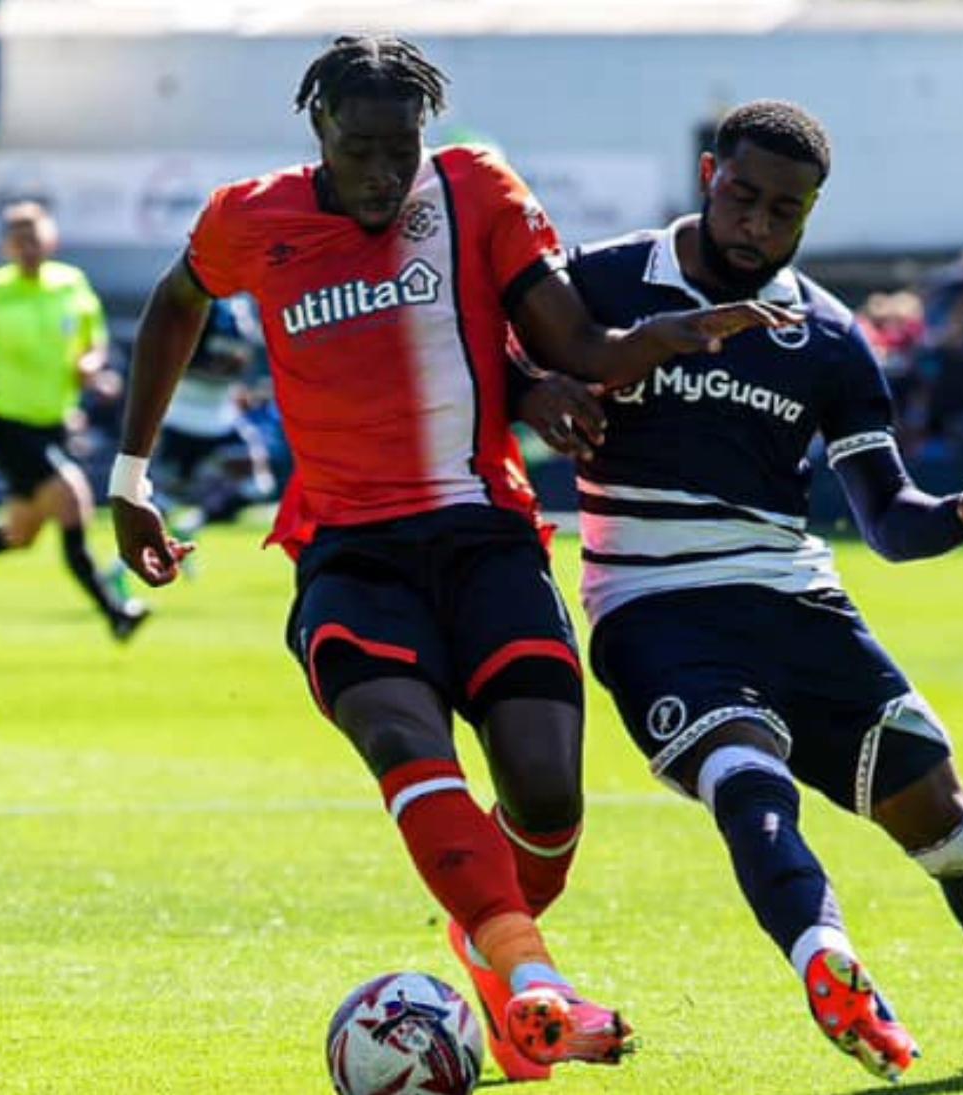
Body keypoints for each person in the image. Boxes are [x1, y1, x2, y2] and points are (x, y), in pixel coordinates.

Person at [105, 35, 799, 1081]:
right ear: (320, 130)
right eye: (366, 150)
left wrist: (668, 336)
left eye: (405, 148)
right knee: (398, 734)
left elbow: (575, 346)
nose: (388, 174)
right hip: (347, 547)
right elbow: (175, 304)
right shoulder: (250, 218)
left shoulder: (474, 190)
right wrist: (129, 479)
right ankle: (532, 980)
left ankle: (487, 945)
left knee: (547, 793)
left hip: (486, 539)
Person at [515, 100, 963, 1082]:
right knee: (743, 778)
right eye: (743, 198)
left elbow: (887, 518)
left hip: (796, 600)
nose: (757, 226)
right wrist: (530, 392)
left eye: (784, 211)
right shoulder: (602, 279)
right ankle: (830, 963)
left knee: (948, 823)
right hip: (652, 607)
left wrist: (957, 513)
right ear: (710, 174)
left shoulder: (832, 337)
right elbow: (494, 360)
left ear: (812, 213)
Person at [0, 201, 148, 640]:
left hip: (56, 422)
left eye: (35, 237)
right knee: (73, 499)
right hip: (7, 423)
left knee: (22, 532)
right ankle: (115, 611)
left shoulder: (70, 284)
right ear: (6, 246)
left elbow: (95, 340)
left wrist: (90, 364)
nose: (28, 247)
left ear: (50, 239)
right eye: (19, 240)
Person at [105, 295, 275, 596]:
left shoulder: (240, 308)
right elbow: (182, 353)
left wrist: (236, 387)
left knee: (256, 485)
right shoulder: (204, 304)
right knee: (159, 505)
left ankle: (194, 521)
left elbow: (234, 361)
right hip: (184, 417)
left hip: (221, 417)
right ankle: (119, 568)